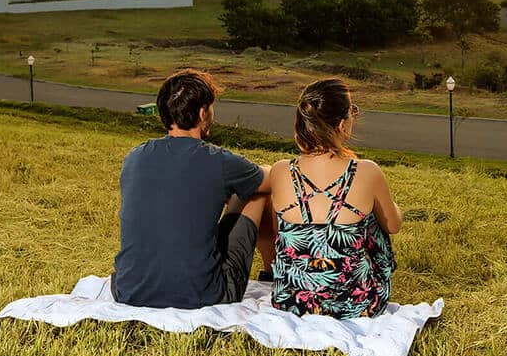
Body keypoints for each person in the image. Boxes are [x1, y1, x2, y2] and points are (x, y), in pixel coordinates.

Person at [112, 69, 276, 309]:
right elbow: (271, 180)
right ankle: (273, 276)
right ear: (202, 112)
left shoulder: (134, 157)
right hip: (204, 295)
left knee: (237, 188)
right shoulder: (217, 161)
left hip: (128, 290)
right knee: (256, 191)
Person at [267, 78, 401, 318]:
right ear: (341, 125)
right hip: (355, 304)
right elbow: (393, 225)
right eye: (351, 112)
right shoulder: (367, 171)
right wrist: (391, 207)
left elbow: (280, 233)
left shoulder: (280, 171)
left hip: (292, 301)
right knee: (371, 217)